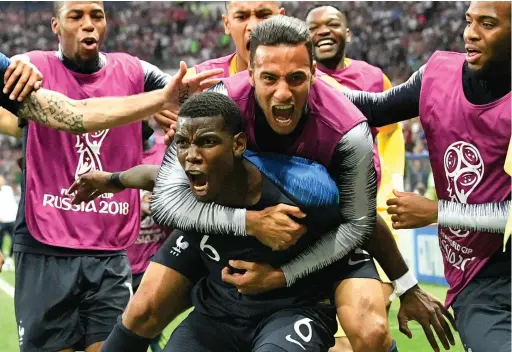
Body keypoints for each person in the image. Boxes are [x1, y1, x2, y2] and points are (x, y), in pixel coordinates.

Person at [122, 16, 454, 352]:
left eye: (296, 78)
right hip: (226, 231)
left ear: (313, 72)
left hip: (317, 245)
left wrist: (283, 276)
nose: (283, 93)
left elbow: (359, 224)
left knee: (371, 333)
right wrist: (251, 224)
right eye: (269, 78)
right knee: (142, 309)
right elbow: (166, 198)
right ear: (249, 74)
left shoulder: (349, 132)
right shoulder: (223, 104)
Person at [1, 2, 221, 351]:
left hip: (109, 248)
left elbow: (180, 102)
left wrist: (187, 108)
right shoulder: (32, 68)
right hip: (47, 243)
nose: (89, 24)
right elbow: (69, 112)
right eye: (76, 16)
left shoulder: (135, 72)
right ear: (55, 25)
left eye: (97, 15)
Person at [341, 2, 510, 351]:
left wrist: (437, 212)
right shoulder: (439, 74)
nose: (470, 33)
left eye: (487, 24)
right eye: (469, 21)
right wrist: (301, 84)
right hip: (482, 282)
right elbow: (374, 108)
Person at [305, 5, 406, 350]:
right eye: (314, 27)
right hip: (319, 220)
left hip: (368, 215)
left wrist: (391, 183)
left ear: (347, 33)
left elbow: (392, 133)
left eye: (332, 24)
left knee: (369, 327)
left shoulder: (374, 78)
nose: (323, 32)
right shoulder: (296, 80)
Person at [125, 128, 170, 352]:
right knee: (125, 328)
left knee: (148, 323)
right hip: (121, 260)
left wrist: (160, 205)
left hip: (155, 259)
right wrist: (135, 209)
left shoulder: (167, 149)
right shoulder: (115, 154)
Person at [0, 175, 17, 271]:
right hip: (1, 220)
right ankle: (1, 258)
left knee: (14, 239)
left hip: (11, 219)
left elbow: (12, 202)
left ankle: (10, 259)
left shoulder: (8, 189)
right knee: (0, 241)